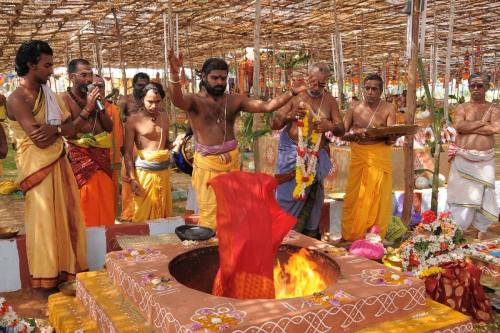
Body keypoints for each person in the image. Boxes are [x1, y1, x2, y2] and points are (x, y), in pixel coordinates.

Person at [168, 50, 307, 230]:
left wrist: (292, 92)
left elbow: (267, 106)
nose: (220, 82)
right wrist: (173, 75)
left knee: (234, 213)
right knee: (211, 214)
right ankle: (213, 251)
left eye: (223, 78)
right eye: (215, 78)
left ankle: (232, 251)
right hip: (207, 166)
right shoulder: (194, 101)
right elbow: (177, 100)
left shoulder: (234, 100)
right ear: (203, 77)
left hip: (232, 164)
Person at [6, 40, 87, 288]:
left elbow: (70, 130)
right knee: (44, 223)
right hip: (37, 168)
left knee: (68, 218)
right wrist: (58, 130)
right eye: (47, 65)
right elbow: (39, 141)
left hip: (60, 164)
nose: (52, 71)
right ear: (31, 65)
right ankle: (46, 279)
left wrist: (56, 129)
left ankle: (67, 273)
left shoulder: (48, 94)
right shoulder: (17, 98)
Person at [271, 63, 345, 238]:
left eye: (322, 84)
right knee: (286, 198)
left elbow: (341, 129)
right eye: (314, 82)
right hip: (291, 155)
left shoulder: (329, 101)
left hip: (315, 157)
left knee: (313, 204)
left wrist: (331, 126)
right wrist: (289, 115)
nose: (316, 87)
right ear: (307, 77)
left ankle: (308, 242)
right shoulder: (295, 97)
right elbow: (273, 124)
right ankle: (279, 238)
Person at [341, 73, 397, 241]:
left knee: (378, 198)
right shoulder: (353, 107)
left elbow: (390, 134)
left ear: (381, 91)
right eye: (367, 88)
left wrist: (392, 137)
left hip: (379, 155)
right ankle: (351, 235)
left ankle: (374, 237)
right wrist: (354, 133)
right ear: (363, 89)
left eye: (374, 89)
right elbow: (342, 133)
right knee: (354, 197)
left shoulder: (388, 108)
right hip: (360, 156)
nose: (370, 92)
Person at [61, 59, 114, 227]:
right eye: (83, 75)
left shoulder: (96, 98)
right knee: (84, 203)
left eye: (90, 75)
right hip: (81, 159)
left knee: (105, 202)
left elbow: (109, 127)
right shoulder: (64, 99)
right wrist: (88, 109)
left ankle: (106, 240)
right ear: (71, 77)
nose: (89, 79)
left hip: (102, 158)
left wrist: (99, 106)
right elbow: (67, 131)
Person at [447, 73, 499, 239]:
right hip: (463, 159)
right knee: (460, 195)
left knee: (485, 194)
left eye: (480, 85)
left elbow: (495, 128)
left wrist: (469, 127)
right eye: (472, 86)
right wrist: (483, 123)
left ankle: (481, 232)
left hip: (486, 161)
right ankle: (457, 230)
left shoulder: (494, 108)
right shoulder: (462, 108)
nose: (475, 89)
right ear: (469, 87)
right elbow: (458, 125)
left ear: (487, 87)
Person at [124, 82, 172, 222]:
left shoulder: (164, 116)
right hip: (143, 174)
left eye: (157, 102)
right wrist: (132, 178)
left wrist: (176, 144)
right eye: (150, 102)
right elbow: (127, 153)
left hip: (163, 172)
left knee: (163, 213)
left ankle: (163, 243)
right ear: (142, 100)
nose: (154, 106)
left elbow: (166, 144)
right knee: (142, 215)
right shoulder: (132, 120)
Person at [118, 72, 150, 221]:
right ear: (133, 85)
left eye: (145, 85)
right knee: (127, 176)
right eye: (139, 85)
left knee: (144, 175)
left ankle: (143, 209)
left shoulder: (150, 100)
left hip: (145, 144)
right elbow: (119, 123)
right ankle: (129, 212)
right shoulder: (125, 101)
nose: (142, 88)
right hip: (129, 143)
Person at [94, 75, 123, 216]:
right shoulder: (82, 108)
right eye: (95, 86)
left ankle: (111, 220)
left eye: (101, 86)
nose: (98, 89)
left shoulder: (113, 109)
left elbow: (117, 135)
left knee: (111, 192)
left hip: (110, 159)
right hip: (89, 160)